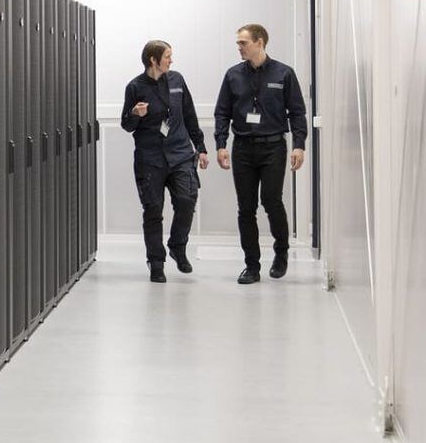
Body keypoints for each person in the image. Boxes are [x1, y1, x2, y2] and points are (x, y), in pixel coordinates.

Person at [214, 23, 308, 284]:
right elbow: (222, 112)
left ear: (260, 42)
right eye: (238, 43)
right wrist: (221, 144)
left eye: (243, 42)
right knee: (246, 208)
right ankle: (251, 266)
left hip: (273, 147)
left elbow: (297, 112)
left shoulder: (284, 74)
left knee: (271, 200)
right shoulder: (233, 75)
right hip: (243, 147)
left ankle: (281, 253)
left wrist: (299, 145)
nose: (239, 47)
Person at [121, 40, 208, 282]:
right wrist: (135, 114)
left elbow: (189, 115)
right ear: (153, 60)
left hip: (180, 154)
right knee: (153, 210)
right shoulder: (135, 87)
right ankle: (156, 262)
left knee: (186, 200)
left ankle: (177, 246)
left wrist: (200, 147)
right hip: (151, 159)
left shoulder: (177, 80)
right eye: (168, 56)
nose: (172, 60)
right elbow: (126, 125)